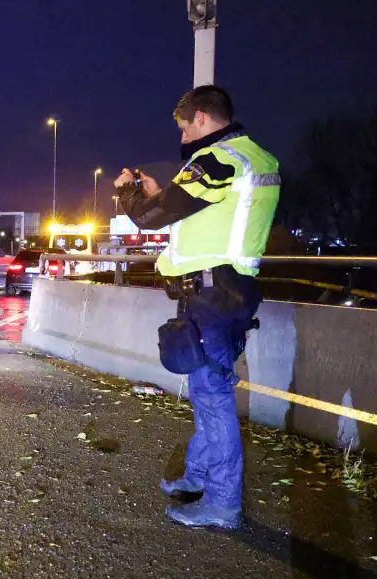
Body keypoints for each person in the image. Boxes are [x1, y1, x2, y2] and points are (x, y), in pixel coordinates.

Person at [114, 85, 280, 530]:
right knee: (209, 391)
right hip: (229, 290)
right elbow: (199, 209)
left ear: (203, 118)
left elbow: (151, 217)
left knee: (213, 399)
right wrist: (163, 191)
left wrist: (129, 192)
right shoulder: (256, 158)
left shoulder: (216, 160)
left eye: (186, 127)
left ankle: (223, 504)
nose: (184, 137)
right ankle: (197, 476)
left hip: (211, 295)